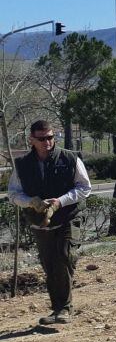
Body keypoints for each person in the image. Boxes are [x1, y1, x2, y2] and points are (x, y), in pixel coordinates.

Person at [7, 120, 92, 326]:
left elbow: (84, 187)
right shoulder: (22, 164)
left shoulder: (70, 158)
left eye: (51, 137)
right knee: (50, 265)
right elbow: (13, 194)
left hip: (68, 217)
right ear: (32, 140)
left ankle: (64, 308)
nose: (48, 142)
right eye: (42, 138)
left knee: (64, 256)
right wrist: (31, 202)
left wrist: (60, 202)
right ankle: (57, 309)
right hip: (40, 223)